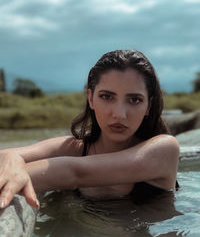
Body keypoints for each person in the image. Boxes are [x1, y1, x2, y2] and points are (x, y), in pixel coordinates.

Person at [0, 50, 179, 209]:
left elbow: (74, 172)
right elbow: (5, 155)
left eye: (135, 100)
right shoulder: (73, 148)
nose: (119, 114)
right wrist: (13, 161)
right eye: (107, 96)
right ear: (91, 99)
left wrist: (20, 170)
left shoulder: (164, 150)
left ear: (149, 106)